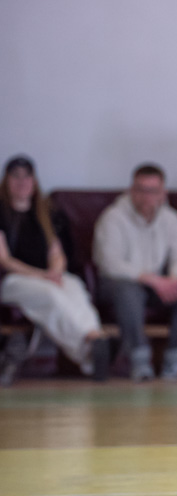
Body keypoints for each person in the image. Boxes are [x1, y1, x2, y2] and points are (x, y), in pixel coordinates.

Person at [0, 155, 110, 379]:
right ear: (6, 181)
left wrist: (55, 272)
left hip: (47, 276)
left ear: (34, 181)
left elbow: (57, 252)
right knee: (51, 295)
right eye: (15, 177)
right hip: (13, 280)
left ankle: (94, 337)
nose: (22, 182)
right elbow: (4, 260)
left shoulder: (48, 212)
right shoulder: (1, 213)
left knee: (74, 287)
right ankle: (90, 351)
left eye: (27, 176)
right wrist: (41, 275)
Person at [94, 164, 177, 381]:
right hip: (119, 283)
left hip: (157, 284)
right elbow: (110, 262)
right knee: (128, 291)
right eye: (141, 190)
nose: (147, 196)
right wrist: (150, 279)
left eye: (153, 191)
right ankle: (139, 360)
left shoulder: (171, 218)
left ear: (163, 193)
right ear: (131, 190)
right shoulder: (113, 218)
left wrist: (174, 279)